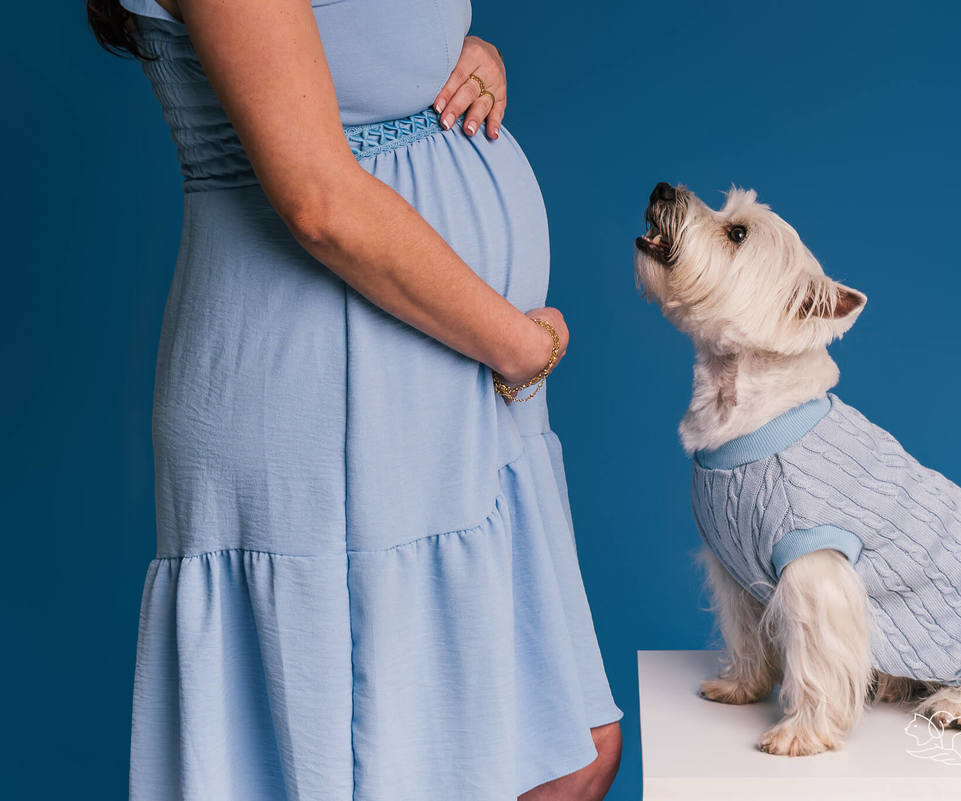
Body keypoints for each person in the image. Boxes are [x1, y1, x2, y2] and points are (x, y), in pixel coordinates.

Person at [86, 1, 623, 799]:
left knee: (571, 756)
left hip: (450, 390)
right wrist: (517, 345)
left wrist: (455, 58)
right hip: (333, 396)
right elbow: (318, 200)